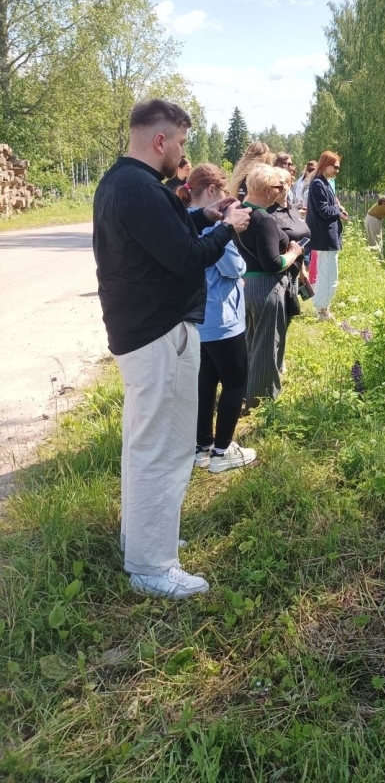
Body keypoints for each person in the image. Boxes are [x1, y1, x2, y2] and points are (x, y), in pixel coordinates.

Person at [93, 99, 250, 599]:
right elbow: (185, 258)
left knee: (147, 444)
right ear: (159, 140)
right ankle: (152, 565)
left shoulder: (125, 183)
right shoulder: (140, 189)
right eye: (180, 142)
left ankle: (144, 539)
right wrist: (227, 228)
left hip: (146, 332)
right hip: (157, 333)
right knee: (162, 447)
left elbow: (168, 235)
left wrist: (204, 215)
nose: (182, 152)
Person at [177, 163, 256, 474]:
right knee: (235, 382)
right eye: (224, 191)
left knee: (205, 384)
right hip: (222, 319)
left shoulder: (183, 221)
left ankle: (202, 447)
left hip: (197, 318)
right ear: (212, 191)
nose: (226, 197)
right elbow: (235, 267)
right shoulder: (213, 228)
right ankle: (223, 451)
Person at [237, 164, 304, 405]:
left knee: (249, 342)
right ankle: (261, 400)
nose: (281, 190)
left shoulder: (239, 211)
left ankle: (243, 391)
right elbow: (273, 263)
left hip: (244, 285)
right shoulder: (264, 220)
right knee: (266, 345)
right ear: (267, 190)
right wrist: (294, 253)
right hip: (266, 288)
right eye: (278, 187)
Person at [266, 168, 312, 368]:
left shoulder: (293, 208)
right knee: (275, 321)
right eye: (277, 182)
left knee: (288, 316)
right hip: (277, 275)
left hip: (294, 271)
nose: (281, 186)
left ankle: (279, 357)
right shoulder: (269, 212)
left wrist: (303, 269)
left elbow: (302, 236)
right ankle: (271, 362)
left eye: (284, 182)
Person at [305, 151, 348, 320]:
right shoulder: (318, 184)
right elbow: (324, 210)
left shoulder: (324, 183)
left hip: (326, 235)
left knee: (325, 274)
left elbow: (329, 207)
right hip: (324, 236)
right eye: (335, 167)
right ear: (325, 164)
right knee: (330, 276)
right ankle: (322, 310)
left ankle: (322, 307)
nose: (337, 170)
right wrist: (338, 209)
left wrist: (338, 210)